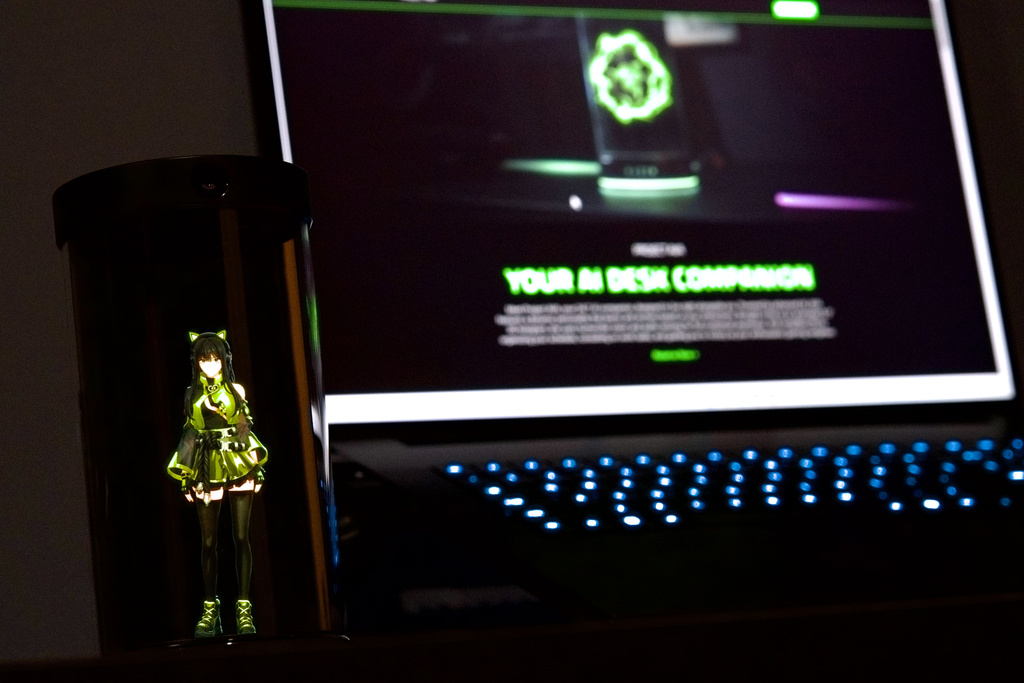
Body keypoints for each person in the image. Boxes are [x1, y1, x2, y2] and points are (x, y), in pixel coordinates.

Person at [167, 330, 267, 637]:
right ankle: (209, 611)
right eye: (203, 359)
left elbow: (243, 427)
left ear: (223, 359)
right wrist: (185, 474)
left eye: (214, 359)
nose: (209, 365)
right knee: (208, 542)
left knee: (241, 538)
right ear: (196, 362)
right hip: (205, 465)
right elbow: (189, 432)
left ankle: (245, 609)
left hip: (236, 461)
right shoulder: (191, 394)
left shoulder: (236, 390)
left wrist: (256, 462)